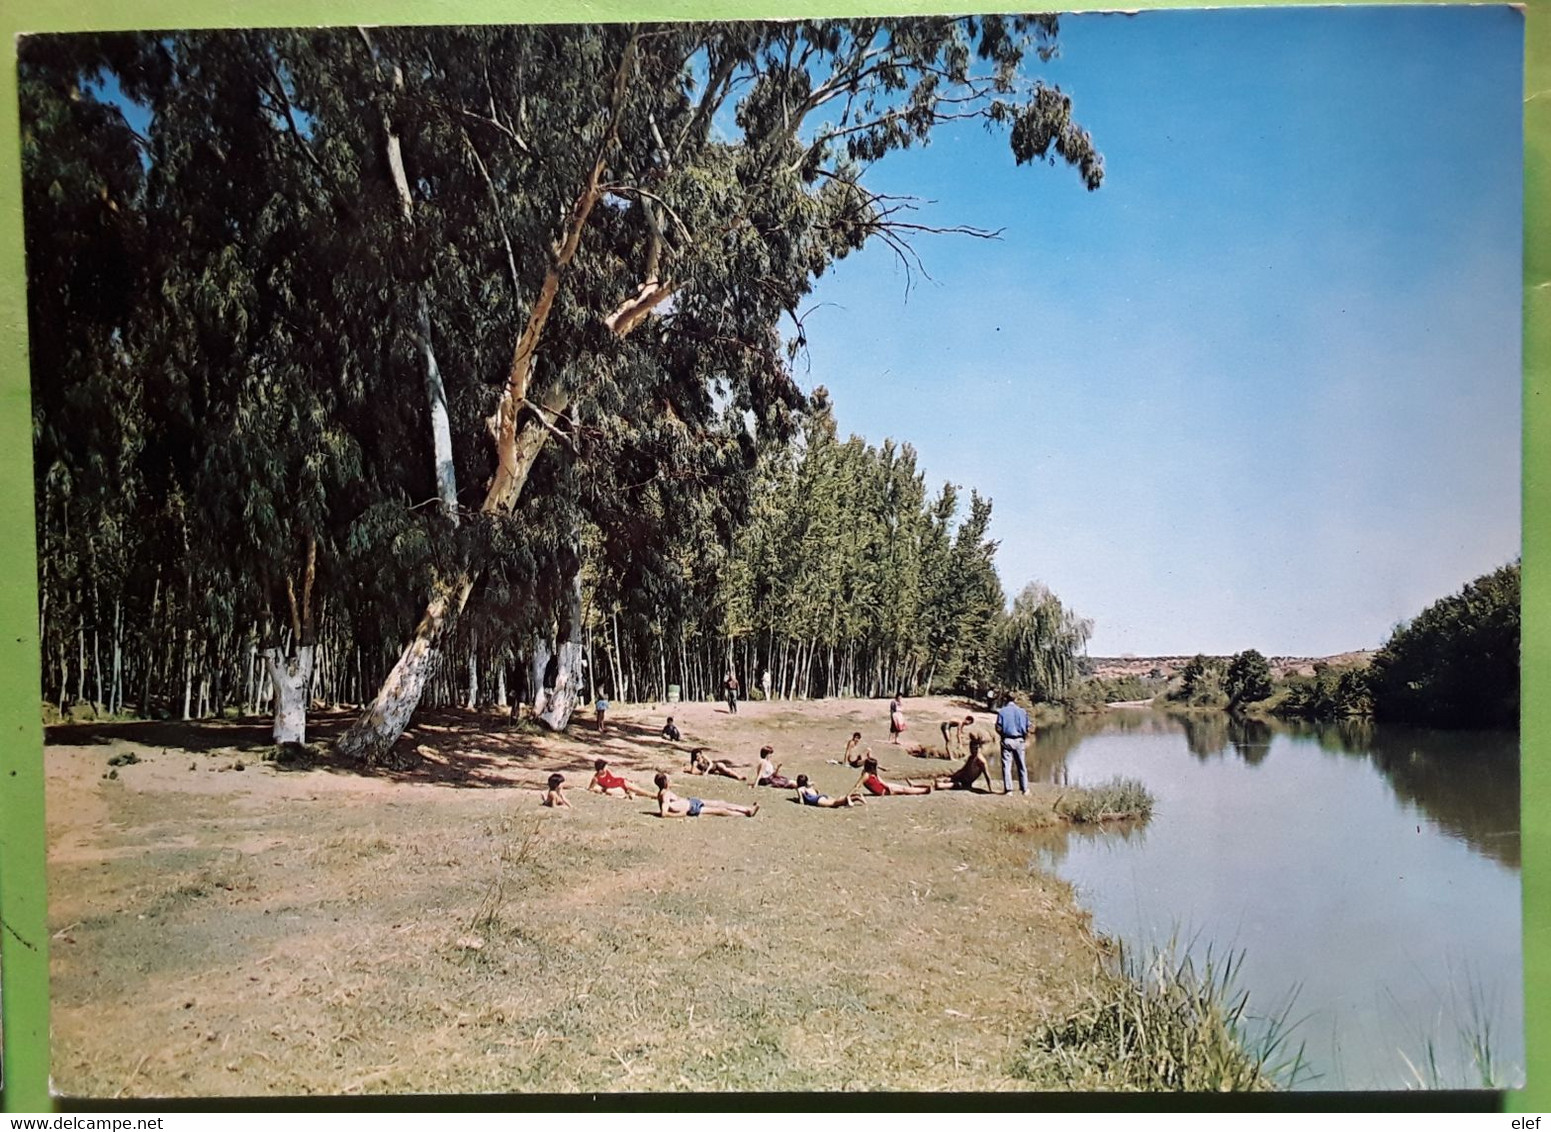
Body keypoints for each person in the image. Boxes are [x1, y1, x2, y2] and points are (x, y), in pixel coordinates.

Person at [654, 772, 758, 818]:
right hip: (692, 808)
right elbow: (664, 813)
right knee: (721, 810)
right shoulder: (665, 795)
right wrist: (679, 814)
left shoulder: (665, 792)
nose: (671, 781)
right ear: (665, 782)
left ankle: (747, 809)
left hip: (692, 802)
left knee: (720, 803)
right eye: (669, 779)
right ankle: (745, 814)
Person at [996, 692, 1032, 796]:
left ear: (1005, 699)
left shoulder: (1002, 712)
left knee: (1006, 765)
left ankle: (1009, 790)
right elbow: (1028, 727)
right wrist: (1024, 736)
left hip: (1007, 739)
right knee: (1021, 765)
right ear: (1015, 699)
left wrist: (1002, 736)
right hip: (1019, 740)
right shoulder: (1022, 711)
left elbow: (998, 727)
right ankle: (1025, 789)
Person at [850, 755, 930, 797]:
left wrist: (887, 786)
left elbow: (880, 781)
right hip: (883, 791)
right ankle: (923, 790)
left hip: (883, 788)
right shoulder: (866, 775)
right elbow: (857, 785)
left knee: (902, 788)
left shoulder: (869, 773)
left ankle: (920, 788)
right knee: (904, 789)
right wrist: (850, 795)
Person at [924, 747, 994, 792]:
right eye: (972, 749)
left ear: (979, 749)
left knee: (941, 785)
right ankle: (930, 784)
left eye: (976, 749)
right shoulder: (971, 757)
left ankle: (933, 786)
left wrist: (990, 789)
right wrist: (953, 777)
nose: (973, 751)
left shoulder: (981, 761)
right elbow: (964, 769)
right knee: (945, 779)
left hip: (965, 783)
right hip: (962, 777)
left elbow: (987, 775)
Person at [588, 758, 655, 799]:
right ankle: (630, 793)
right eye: (605, 767)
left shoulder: (607, 772)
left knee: (638, 789)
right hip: (614, 788)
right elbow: (590, 788)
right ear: (600, 770)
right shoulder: (596, 778)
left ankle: (653, 795)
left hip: (620, 782)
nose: (607, 768)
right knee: (609, 791)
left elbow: (612, 778)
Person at [793, 773, 865, 808]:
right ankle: (854, 796)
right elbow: (813, 785)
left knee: (835, 803)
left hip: (817, 800)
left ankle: (855, 798)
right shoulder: (808, 786)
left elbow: (801, 801)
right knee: (837, 801)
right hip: (820, 797)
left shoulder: (800, 789)